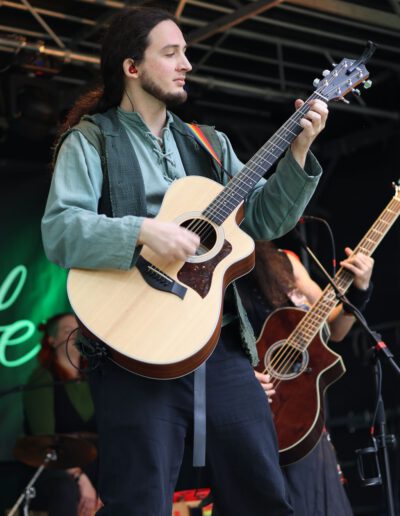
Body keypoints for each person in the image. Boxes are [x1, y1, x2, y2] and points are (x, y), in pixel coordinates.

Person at [41, 6, 329, 515]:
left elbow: (264, 220)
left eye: (186, 53)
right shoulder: (90, 140)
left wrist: (299, 151)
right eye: (171, 53)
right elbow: (61, 230)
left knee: (264, 496)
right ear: (132, 67)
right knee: (140, 504)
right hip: (133, 348)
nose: (186, 64)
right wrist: (142, 231)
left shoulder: (209, 143)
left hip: (219, 346)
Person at [239, 240, 374, 516]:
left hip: (301, 416)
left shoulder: (285, 261)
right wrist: (239, 376)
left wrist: (359, 290)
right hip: (247, 413)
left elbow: (334, 330)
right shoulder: (212, 268)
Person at [22, 313, 99, 516]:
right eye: (67, 330)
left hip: (93, 463)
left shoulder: (94, 378)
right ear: (52, 340)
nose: (75, 335)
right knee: (65, 488)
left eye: (79, 330)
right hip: (56, 469)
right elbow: (44, 442)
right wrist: (80, 478)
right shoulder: (42, 379)